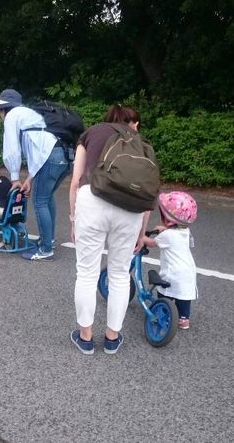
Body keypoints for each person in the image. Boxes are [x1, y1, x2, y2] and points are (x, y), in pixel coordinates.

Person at [68, 104, 149, 355]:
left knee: (87, 273)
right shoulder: (140, 142)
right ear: (132, 123)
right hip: (129, 209)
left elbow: (75, 181)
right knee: (119, 274)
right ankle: (112, 338)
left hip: (92, 201)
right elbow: (147, 191)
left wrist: (73, 219)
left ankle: (86, 337)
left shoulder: (91, 133)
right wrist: (141, 231)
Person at [0, 89, 72, 261]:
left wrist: (14, 178)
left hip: (50, 157)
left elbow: (12, 149)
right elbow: (39, 151)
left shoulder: (12, 116)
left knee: (40, 201)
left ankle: (45, 249)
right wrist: (28, 179)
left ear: (4, 109)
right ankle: (48, 240)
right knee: (47, 197)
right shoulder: (31, 113)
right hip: (65, 155)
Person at [142, 191, 198, 330]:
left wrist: (140, 236)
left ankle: (163, 313)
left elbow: (151, 243)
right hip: (188, 272)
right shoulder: (185, 231)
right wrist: (165, 229)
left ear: (167, 219)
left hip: (173, 273)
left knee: (164, 292)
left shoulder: (167, 235)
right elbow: (174, 235)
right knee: (183, 296)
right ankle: (184, 319)